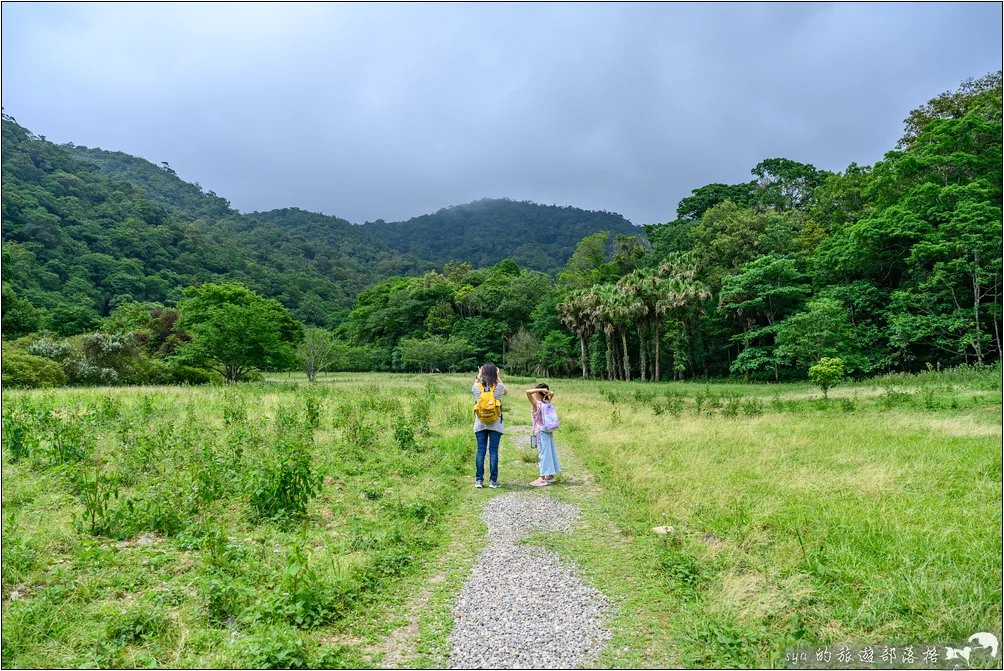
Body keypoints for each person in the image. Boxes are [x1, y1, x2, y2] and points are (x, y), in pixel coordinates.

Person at [472, 362, 506, 488]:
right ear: (494, 373)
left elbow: (474, 385)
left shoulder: (477, 388)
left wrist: (479, 375)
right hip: (495, 424)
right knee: (493, 451)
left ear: (483, 373)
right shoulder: (498, 388)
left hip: (480, 423)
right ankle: (493, 481)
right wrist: (498, 377)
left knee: (481, 451)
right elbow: (505, 390)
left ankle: (479, 480)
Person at [526, 383, 560, 486]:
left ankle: (542, 478)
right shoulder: (547, 403)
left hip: (540, 432)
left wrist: (540, 389)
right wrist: (547, 392)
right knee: (549, 453)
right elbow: (552, 393)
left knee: (543, 454)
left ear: (537, 392)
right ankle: (549, 475)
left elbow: (527, 392)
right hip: (548, 430)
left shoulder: (537, 405)